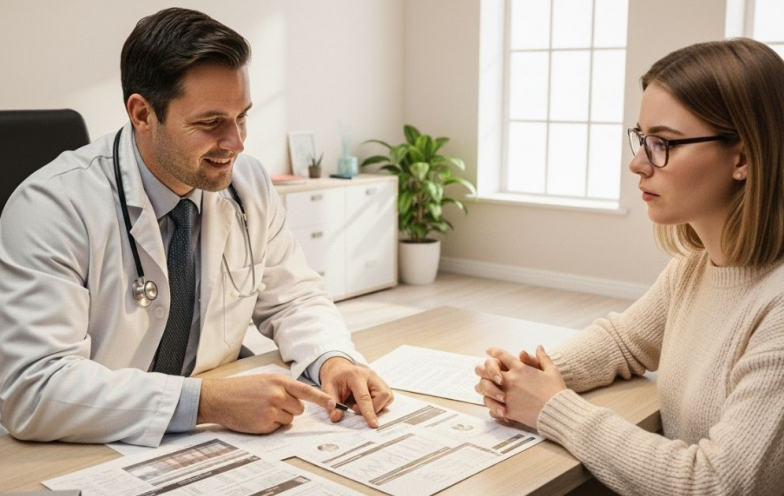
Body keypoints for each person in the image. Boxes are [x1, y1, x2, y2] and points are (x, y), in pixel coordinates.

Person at [0, 7, 393, 447]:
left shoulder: (248, 184)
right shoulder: (54, 206)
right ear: (142, 114)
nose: (237, 143)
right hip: (96, 438)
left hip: (212, 436)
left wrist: (332, 360)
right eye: (211, 123)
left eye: (242, 116)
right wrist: (204, 402)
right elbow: (33, 388)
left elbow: (293, 298)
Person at [475, 38, 784, 495]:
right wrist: (526, 376)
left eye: (663, 143)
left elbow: (715, 483)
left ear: (742, 157)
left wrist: (553, 407)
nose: (637, 164)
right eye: (641, 138)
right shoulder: (694, 268)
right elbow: (623, 342)